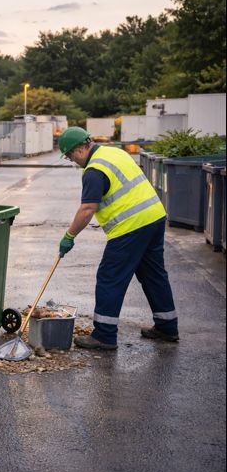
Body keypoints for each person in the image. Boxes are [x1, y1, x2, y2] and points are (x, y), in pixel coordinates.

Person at [57, 127, 178, 350]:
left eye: (70, 155)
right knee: (153, 275)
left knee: (110, 277)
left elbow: (87, 209)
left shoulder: (94, 170)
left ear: (81, 148)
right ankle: (167, 326)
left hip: (131, 227)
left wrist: (69, 235)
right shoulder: (115, 153)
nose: (72, 160)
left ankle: (104, 335)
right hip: (155, 218)